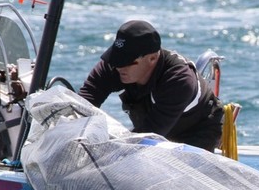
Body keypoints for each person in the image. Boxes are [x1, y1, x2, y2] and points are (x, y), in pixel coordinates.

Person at [78, 19, 224, 150]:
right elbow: (83, 102)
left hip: (195, 130)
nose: (118, 67)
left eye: (125, 62)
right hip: (154, 124)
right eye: (116, 59)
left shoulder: (179, 81)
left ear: (152, 59)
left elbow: (147, 136)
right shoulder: (114, 65)